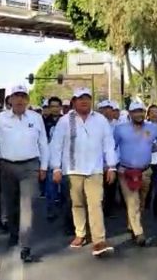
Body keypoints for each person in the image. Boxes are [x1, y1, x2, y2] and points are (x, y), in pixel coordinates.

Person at [0, 85, 49, 263]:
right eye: (16, 96)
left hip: (30, 167)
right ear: (10, 99)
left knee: (27, 206)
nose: (20, 100)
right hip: (7, 167)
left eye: (23, 96)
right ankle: (14, 232)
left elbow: (43, 143)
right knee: (11, 205)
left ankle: (25, 246)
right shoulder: (0, 119)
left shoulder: (36, 118)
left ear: (27, 100)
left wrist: (44, 166)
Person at [50, 88, 116, 257]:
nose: (84, 101)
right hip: (72, 170)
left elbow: (108, 144)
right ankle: (80, 234)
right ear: (74, 101)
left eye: (87, 98)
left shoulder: (100, 120)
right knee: (77, 204)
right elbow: (56, 145)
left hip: (95, 170)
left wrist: (112, 166)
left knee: (95, 204)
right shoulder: (65, 121)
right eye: (80, 98)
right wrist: (56, 168)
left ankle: (99, 240)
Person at [114, 101, 157, 246]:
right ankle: (139, 233)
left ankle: (132, 225)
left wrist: (155, 148)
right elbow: (111, 147)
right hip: (126, 171)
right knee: (132, 201)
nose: (138, 114)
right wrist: (114, 166)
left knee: (141, 202)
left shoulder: (152, 128)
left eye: (141, 111)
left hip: (145, 171)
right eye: (135, 111)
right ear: (129, 114)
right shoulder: (120, 129)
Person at [43, 96, 66, 222]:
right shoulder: (43, 122)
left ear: (61, 108)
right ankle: (50, 211)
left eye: (57, 106)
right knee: (50, 188)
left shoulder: (66, 121)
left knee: (65, 188)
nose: (55, 109)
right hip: (49, 158)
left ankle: (64, 210)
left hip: (64, 159)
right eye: (52, 106)